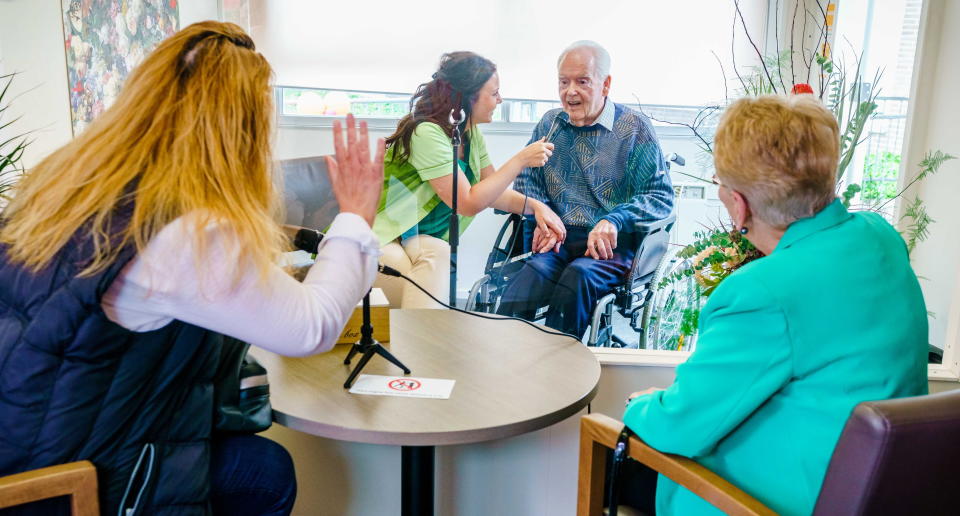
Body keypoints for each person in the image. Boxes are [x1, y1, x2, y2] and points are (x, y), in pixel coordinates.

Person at [0, 22, 384, 516]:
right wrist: (354, 215)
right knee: (265, 475)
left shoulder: (68, 183)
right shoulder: (181, 230)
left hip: (23, 439)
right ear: (239, 129)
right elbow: (310, 328)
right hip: (65, 481)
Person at [621, 95, 929, 515]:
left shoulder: (759, 293)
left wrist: (640, 404)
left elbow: (679, 427)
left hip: (791, 498)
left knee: (619, 457)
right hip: (890, 487)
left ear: (738, 204)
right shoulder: (881, 237)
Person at [496, 40, 674, 338]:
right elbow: (528, 178)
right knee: (526, 282)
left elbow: (660, 196)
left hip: (611, 245)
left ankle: (558, 367)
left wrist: (615, 219)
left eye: (582, 81)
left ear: (605, 84)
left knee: (577, 278)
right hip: (560, 238)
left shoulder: (634, 128)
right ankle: (502, 355)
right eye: (563, 82)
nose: (570, 92)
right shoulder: (551, 123)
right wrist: (542, 214)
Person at [373, 51, 563, 308]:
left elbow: (493, 193)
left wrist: (537, 208)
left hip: (418, 235)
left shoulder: (469, 133)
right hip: (386, 233)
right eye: (494, 93)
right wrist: (520, 160)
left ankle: (422, 337)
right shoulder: (426, 133)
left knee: (438, 253)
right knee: (402, 272)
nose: (500, 99)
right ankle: (419, 336)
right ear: (467, 97)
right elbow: (466, 202)